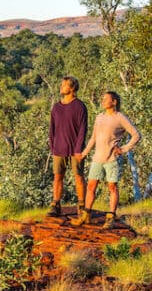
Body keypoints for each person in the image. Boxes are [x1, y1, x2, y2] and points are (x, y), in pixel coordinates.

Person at [72, 90, 140, 229]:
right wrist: (84, 153)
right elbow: (93, 138)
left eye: (105, 99)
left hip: (112, 160)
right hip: (97, 158)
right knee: (91, 186)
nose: (102, 101)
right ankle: (86, 215)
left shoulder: (120, 117)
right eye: (102, 99)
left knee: (112, 188)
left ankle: (110, 218)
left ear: (114, 102)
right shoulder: (99, 117)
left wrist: (123, 149)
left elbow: (136, 135)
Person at [47, 76, 88, 218]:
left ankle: (82, 206)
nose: (61, 87)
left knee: (79, 177)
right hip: (58, 149)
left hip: (75, 150)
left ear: (72, 88)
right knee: (57, 177)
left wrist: (79, 149)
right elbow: (51, 129)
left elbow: (83, 129)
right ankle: (55, 205)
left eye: (64, 85)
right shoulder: (56, 107)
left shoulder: (79, 106)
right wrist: (53, 146)